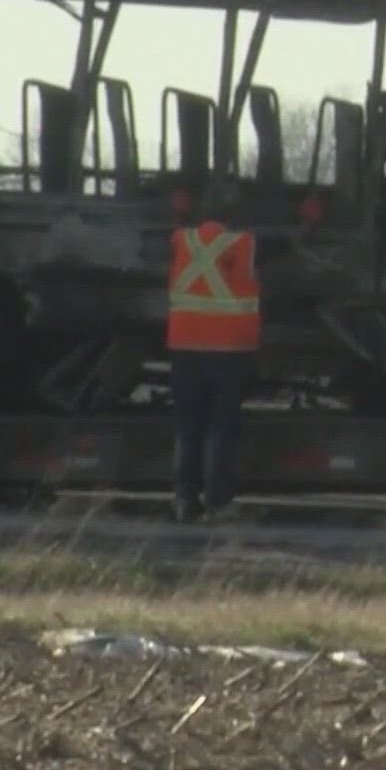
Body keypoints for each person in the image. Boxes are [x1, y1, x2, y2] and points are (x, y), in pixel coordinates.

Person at [165, 181, 261, 523]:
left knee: (188, 429)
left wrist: (178, 210)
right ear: (234, 216)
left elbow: (174, 232)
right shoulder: (244, 244)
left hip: (184, 348)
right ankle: (217, 504)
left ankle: (183, 501)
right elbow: (276, 256)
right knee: (220, 429)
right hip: (228, 351)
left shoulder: (182, 240)